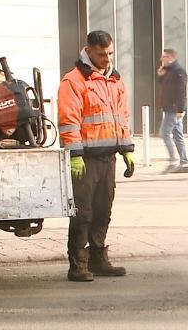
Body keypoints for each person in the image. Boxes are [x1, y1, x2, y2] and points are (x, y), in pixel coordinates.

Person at [58, 30, 135, 281]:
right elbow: (69, 121)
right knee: (83, 212)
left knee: (103, 210)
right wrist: (75, 154)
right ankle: (78, 264)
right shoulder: (74, 81)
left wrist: (127, 150)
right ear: (88, 50)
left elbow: (121, 117)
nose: (107, 58)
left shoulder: (115, 80)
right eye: (102, 54)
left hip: (108, 157)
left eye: (110, 53)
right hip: (86, 159)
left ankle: (98, 257)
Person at [157, 48, 188, 173]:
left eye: (164, 57)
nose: (161, 59)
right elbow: (166, 88)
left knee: (164, 133)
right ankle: (184, 164)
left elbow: (181, 91)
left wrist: (180, 109)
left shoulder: (178, 71)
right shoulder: (168, 71)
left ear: (170, 58)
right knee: (177, 135)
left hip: (174, 109)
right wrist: (160, 76)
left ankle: (173, 161)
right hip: (170, 108)